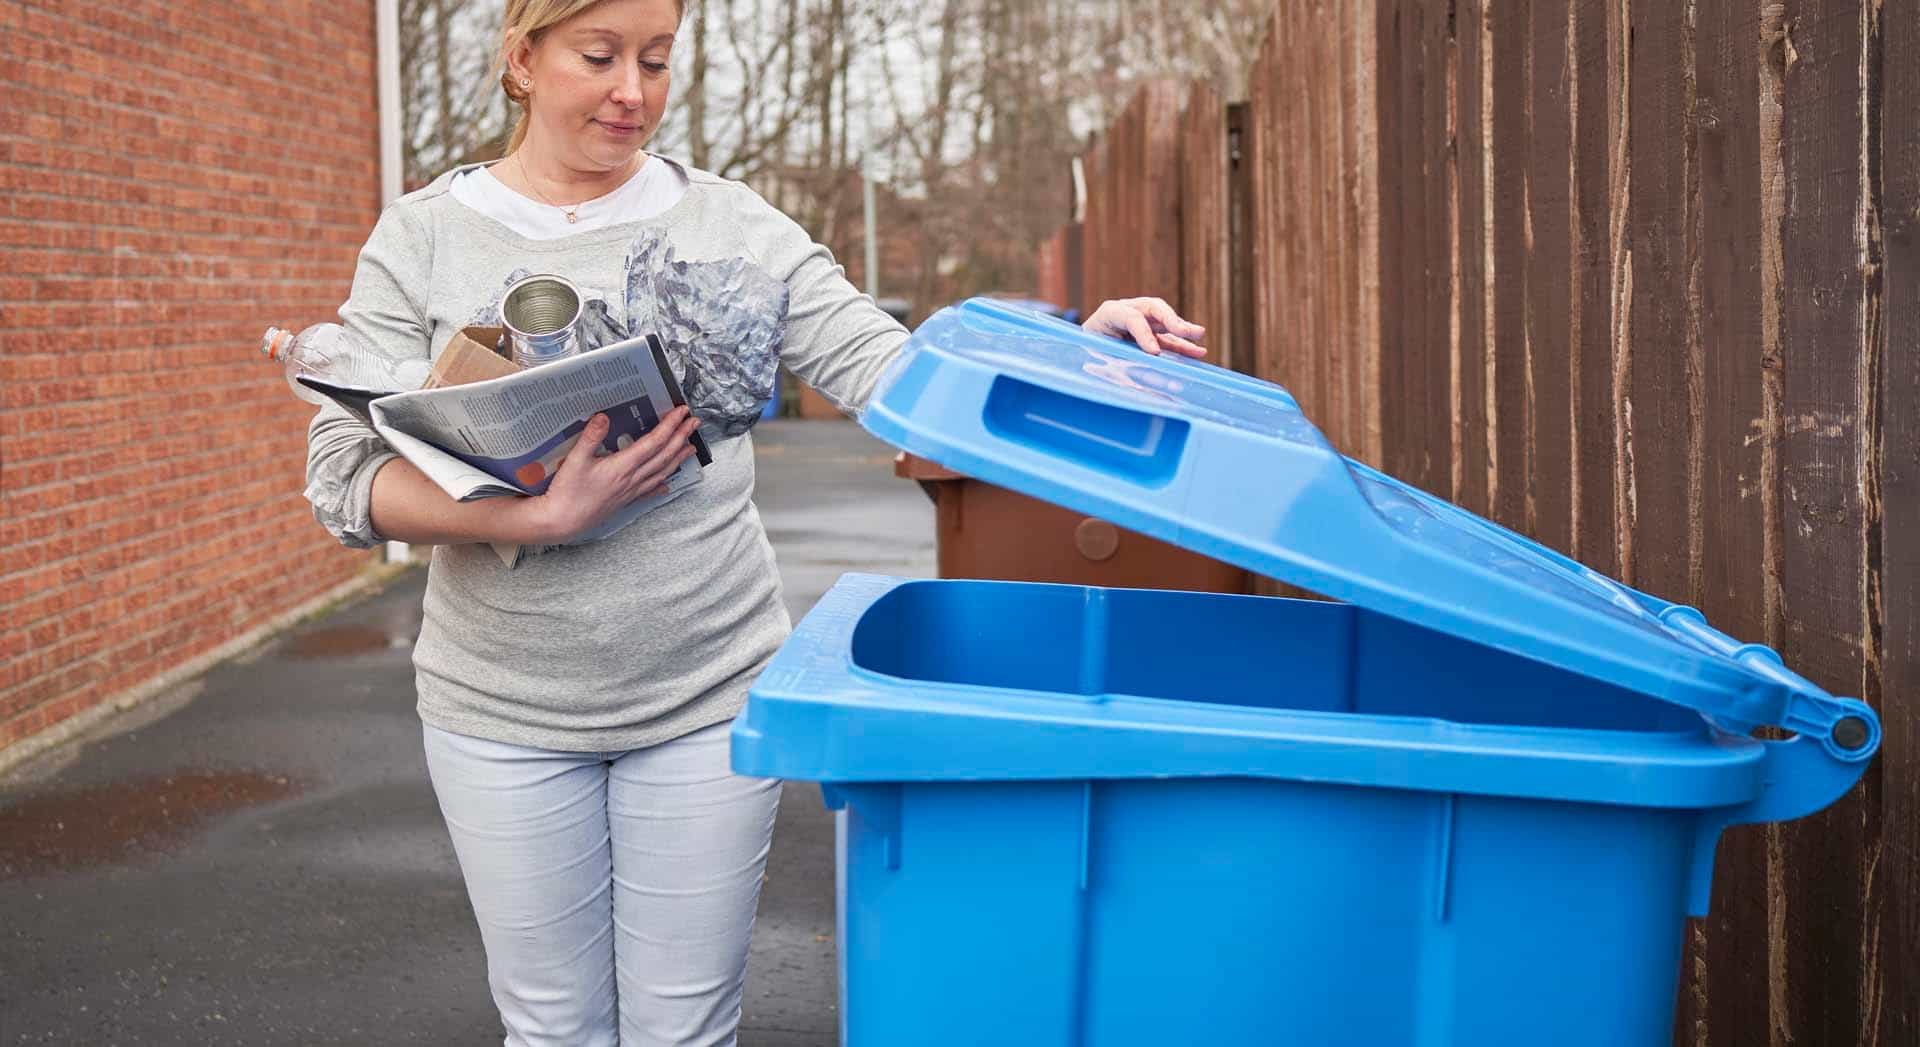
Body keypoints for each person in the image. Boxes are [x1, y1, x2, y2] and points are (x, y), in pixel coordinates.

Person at [304, 0, 1207, 1043]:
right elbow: (342, 476)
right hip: (499, 709)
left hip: (702, 689)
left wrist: (1068, 350)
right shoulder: (424, 235)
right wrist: (544, 517)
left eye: (656, 59)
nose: (632, 91)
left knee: (685, 1030)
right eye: (599, 57)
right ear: (523, 58)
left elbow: (892, 369)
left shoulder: (731, 224)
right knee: (553, 1029)